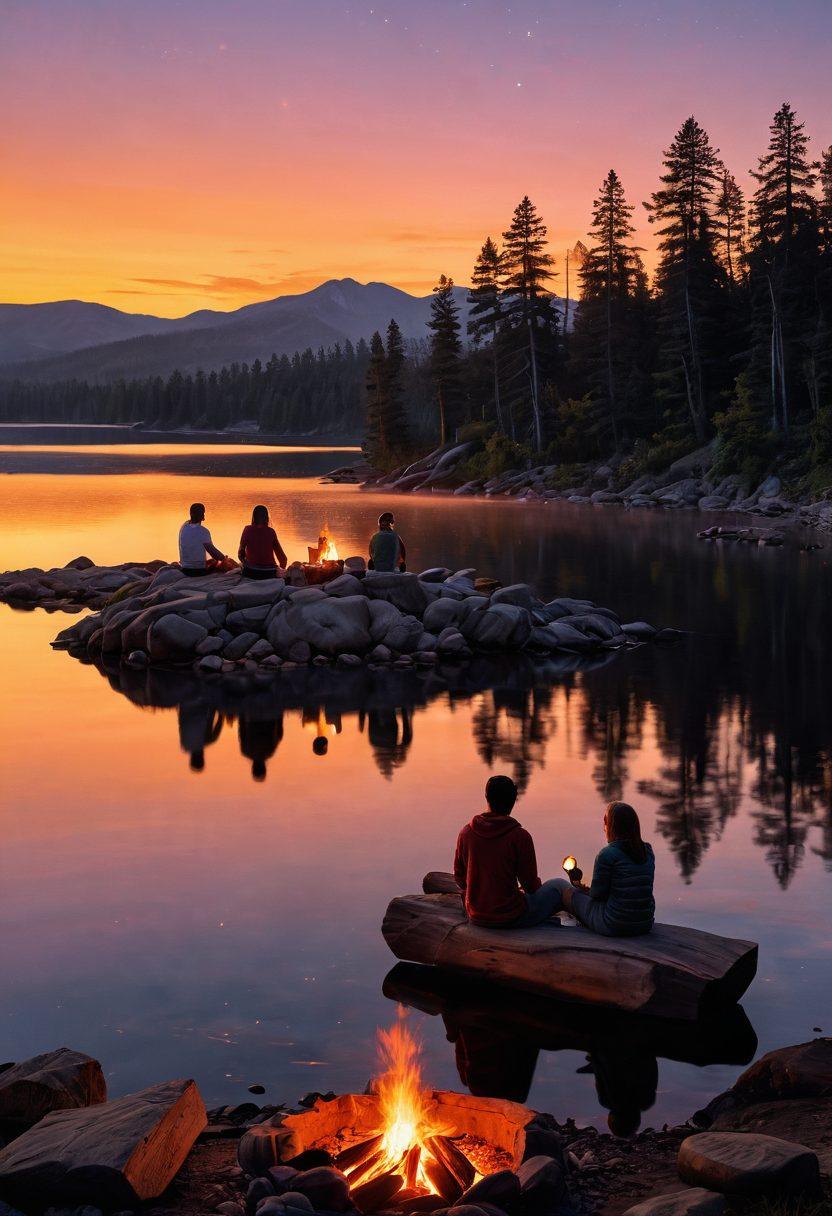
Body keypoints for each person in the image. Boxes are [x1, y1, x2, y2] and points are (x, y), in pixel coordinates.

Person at [453, 775, 560, 928]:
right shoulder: (520, 836)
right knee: (559, 888)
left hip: (476, 915)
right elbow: (530, 886)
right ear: (513, 800)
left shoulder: (466, 833)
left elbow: (460, 879)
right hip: (510, 916)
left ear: (486, 797)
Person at [557, 801, 656, 937]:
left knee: (565, 891)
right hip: (645, 923)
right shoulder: (648, 851)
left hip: (614, 923)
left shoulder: (607, 855)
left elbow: (597, 895)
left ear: (611, 826)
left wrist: (582, 891)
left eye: (606, 822)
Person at [238, 504, 287, 579]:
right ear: (267, 517)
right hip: (269, 573)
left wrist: (246, 563)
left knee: (240, 564)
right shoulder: (271, 532)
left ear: (253, 517)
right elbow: (283, 559)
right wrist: (280, 573)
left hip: (250, 572)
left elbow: (240, 554)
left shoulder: (247, 529)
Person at [179, 503, 228, 576]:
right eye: (202, 513)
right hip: (199, 571)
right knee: (218, 563)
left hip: (185, 569)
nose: (203, 515)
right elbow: (213, 552)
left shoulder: (183, 527)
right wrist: (225, 559)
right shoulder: (203, 531)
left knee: (210, 561)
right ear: (202, 516)